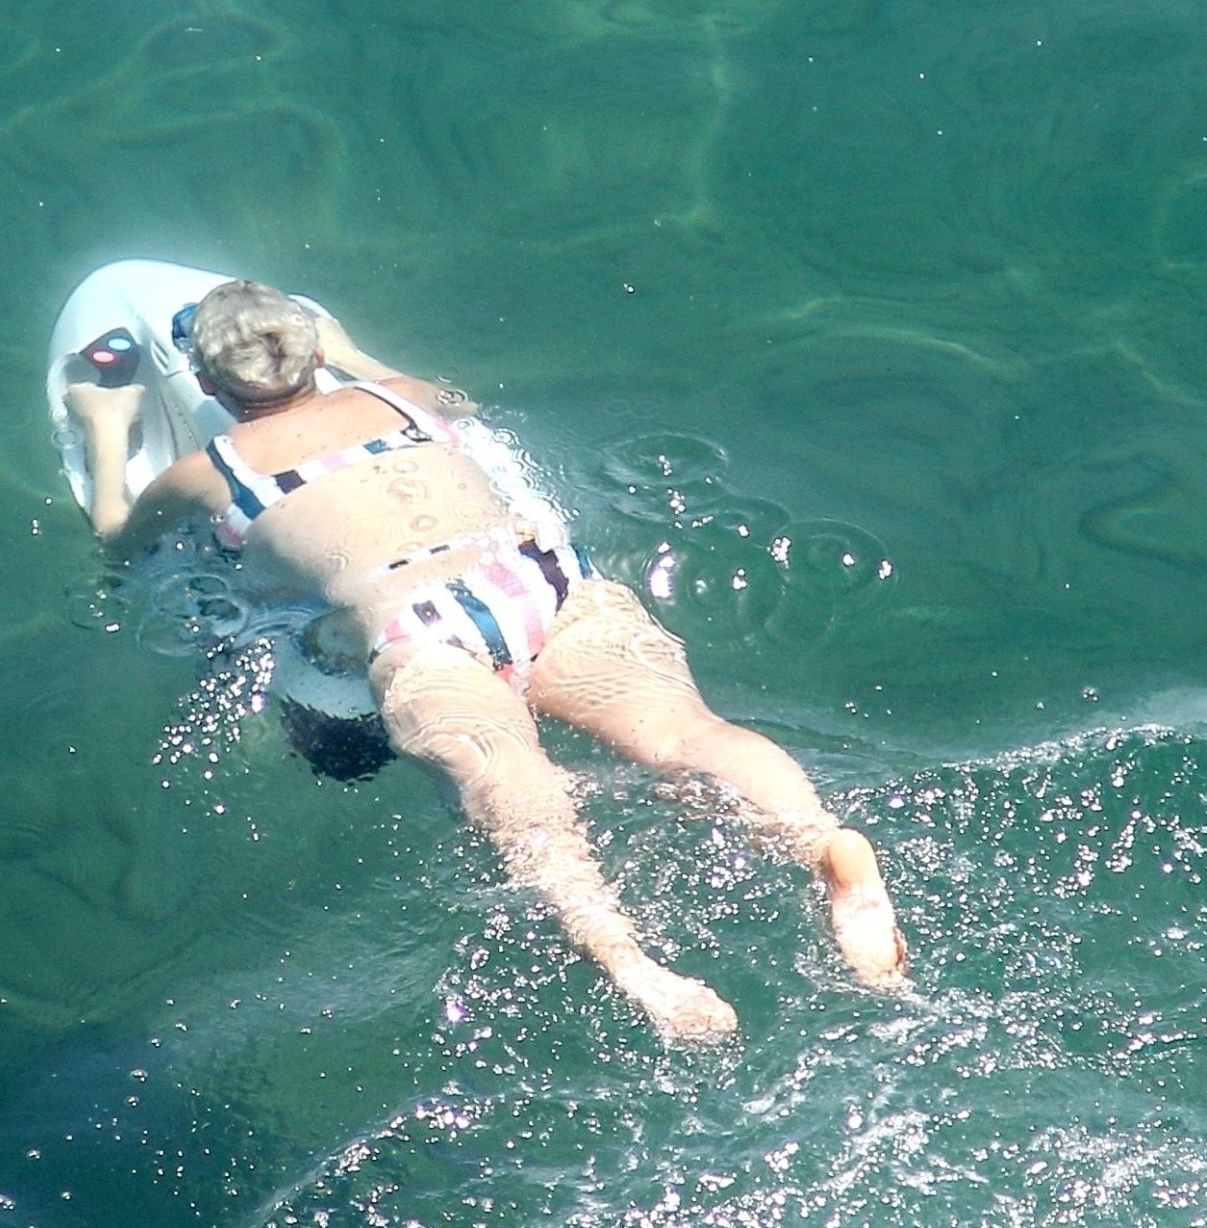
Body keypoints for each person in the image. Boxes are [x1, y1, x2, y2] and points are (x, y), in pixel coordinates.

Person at [65, 279, 906, 1042]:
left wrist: (104, 427)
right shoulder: (402, 398)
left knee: (517, 798)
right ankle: (824, 843)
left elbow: (118, 543)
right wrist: (355, 355)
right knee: (690, 735)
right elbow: (459, 403)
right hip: (545, 583)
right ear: (316, 355)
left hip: (419, 629)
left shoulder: (206, 473)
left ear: (205, 385)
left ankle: (634, 966)